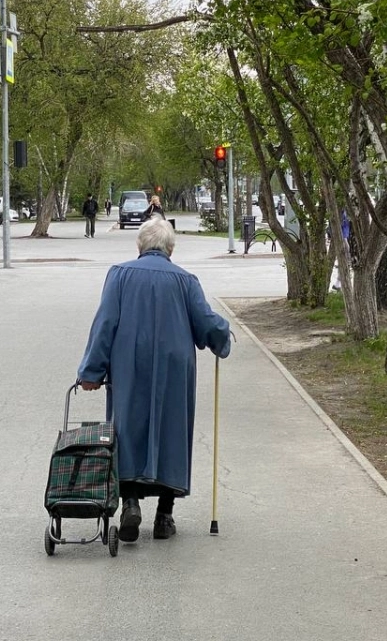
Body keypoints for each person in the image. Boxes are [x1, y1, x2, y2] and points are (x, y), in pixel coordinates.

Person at [77, 218, 231, 542]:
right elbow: (206, 322)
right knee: (172, 430)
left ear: (139, 246)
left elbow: (104, 324)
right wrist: (222, 335)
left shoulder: (120, 275)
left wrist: (91, 372)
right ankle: (165, 514)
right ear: (171, 249)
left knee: (127, 427)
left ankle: (130, 502)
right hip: (175, 365)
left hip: (129, 363)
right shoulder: (186, 281)